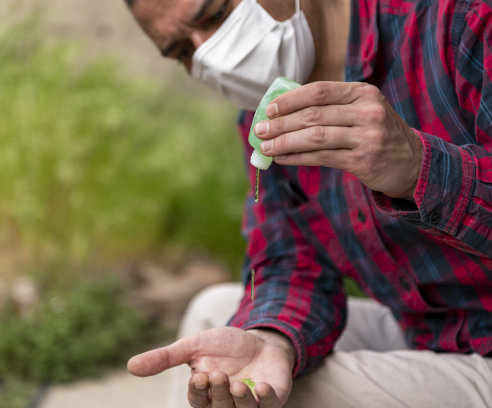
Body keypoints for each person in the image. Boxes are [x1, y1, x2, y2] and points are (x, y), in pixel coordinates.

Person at [125, 0, 492, 406]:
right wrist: (272, 338)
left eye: (216, 16)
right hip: (433, 332)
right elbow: (290, 261)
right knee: (220, 332)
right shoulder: (266, 113)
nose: (210, 55)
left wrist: (418, 167)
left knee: (291, 394)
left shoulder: (464, 23)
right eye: (183, 51)